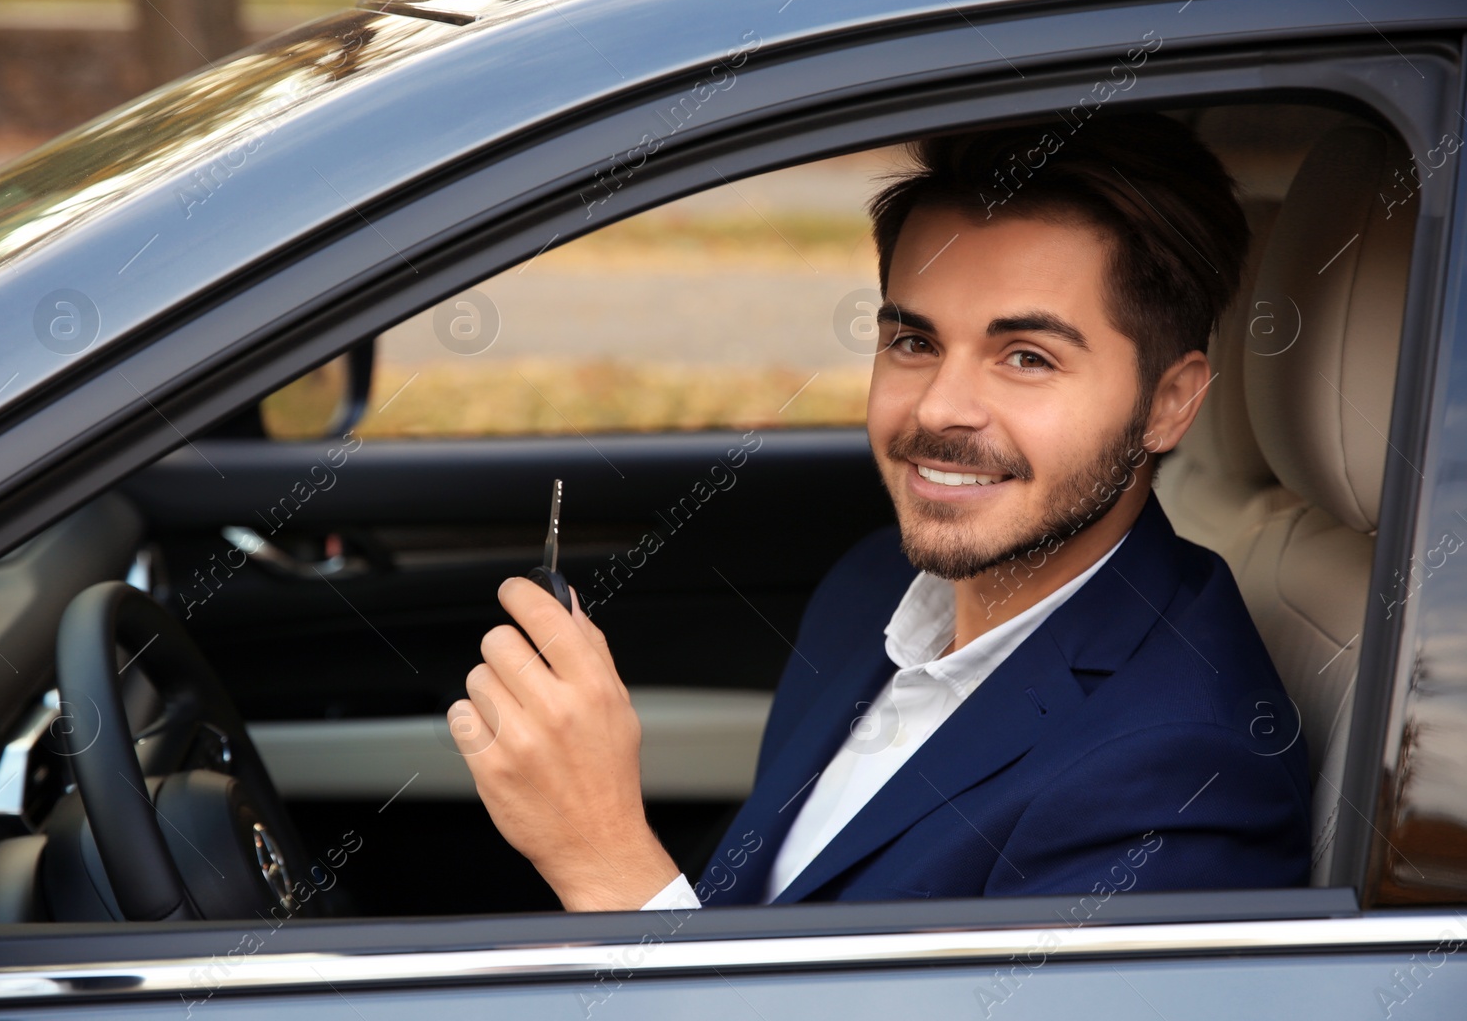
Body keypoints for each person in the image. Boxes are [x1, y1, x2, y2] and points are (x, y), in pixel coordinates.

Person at [446, 114, 1311, 911]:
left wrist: (605, 858)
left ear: (1169, 402)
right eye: (913, 341)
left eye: (1025, 356)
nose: (938, 408)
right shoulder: (872, 586)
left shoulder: (1186, 777)